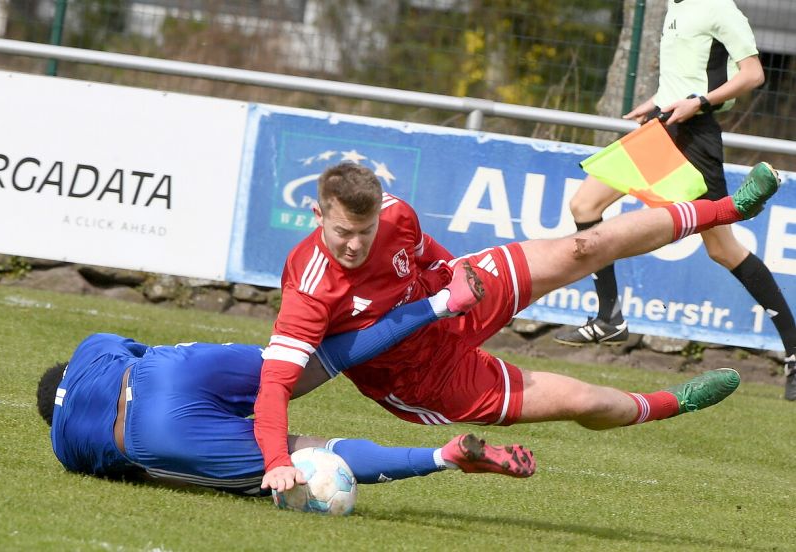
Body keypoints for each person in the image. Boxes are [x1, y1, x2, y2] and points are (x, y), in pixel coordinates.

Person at [255, 159, 779, 492]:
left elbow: (424, 250)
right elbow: (276, 384)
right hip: (425, 378)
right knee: (580, 400)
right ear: (318, 214)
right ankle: (671, 403)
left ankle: (728, 209)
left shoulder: (395, 214)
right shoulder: (309, 289)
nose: (354, 244)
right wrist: (277, 460)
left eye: (364, 231)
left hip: (456, 295)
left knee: (583, 247)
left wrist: (455, 272)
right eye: (343, 232)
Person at [553, 0, 796, 402]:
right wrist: (659, 101)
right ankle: (609, 318)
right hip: (662, 126)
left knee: (723, 250)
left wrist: (698, 102)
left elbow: (753, 75)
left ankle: (794, 350)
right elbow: (685, 74)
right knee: (585, 206)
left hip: (695, 137)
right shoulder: (674, 6)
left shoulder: (721, 9)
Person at [36, 332, 535, 496]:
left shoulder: (64, 448)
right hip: (167, 371)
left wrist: (222, 476)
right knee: (299, 366)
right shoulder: (89, 347)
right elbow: (139, 351)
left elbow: (144, 474)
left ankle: (441, 457)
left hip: (155, 431)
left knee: (301, 456)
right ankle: (437, 304)